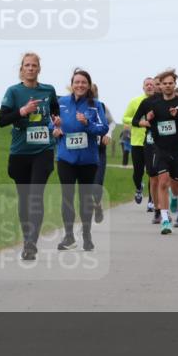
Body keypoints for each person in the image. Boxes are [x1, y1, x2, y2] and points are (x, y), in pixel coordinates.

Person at [0, 52, 60, 261]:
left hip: (43, 150)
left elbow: (55, 113)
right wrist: (22, 111)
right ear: (21, 69)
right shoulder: (13, 92)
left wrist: (57, 123)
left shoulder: (48, 90)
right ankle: (27, 238)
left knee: (36, 195)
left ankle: (32, 242)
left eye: (34, 65)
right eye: (27, 65)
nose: (31, 68)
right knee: (24, 198)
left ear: (39, 69)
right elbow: (2, 120)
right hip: (20, 152)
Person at [133, 69, 178, 234]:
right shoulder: (154, 104)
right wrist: (147, 121)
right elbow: (137, 120)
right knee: (162, 181)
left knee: (175, 183)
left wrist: (177, 115)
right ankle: (165, 219)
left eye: (170, 83)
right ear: (161, 86)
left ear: (174, 84)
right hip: (160, 147)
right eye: (164, 83)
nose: (167, 86)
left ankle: (175, 199)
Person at [53, 70, 109, 251]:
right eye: (77, 82)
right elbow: (50, 121)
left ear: (89, 85)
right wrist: (54, 129)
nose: (80, 85)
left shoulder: (96, 105)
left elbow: (103, 128)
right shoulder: (61, 102)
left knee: (85, 198)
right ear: (72, 84)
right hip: (65, 157)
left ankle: (86, 234)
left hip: (88, 159)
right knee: (67, 196)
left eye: (84, 82)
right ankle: (69, 236)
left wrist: (87, 124)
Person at [122, 78, 158, 211]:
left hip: (153, 142)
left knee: (152, 172)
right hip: (137, 141)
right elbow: (124, 118)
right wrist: (139, 121)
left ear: (155, 87)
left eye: (152, 85)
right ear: (143, 87)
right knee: (138, 171)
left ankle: (151, 200)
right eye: (147, 85)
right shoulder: (135, 101)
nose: (149, 87)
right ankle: (138, 187)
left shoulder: (158, 101)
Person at [90, 83, 112, 224]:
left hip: (99, 151)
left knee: (97, 183)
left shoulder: (101, 106)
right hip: (82, 150)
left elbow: (112, 123)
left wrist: (108, 134)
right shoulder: (73, 106)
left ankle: (97, 205)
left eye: (93, 92)